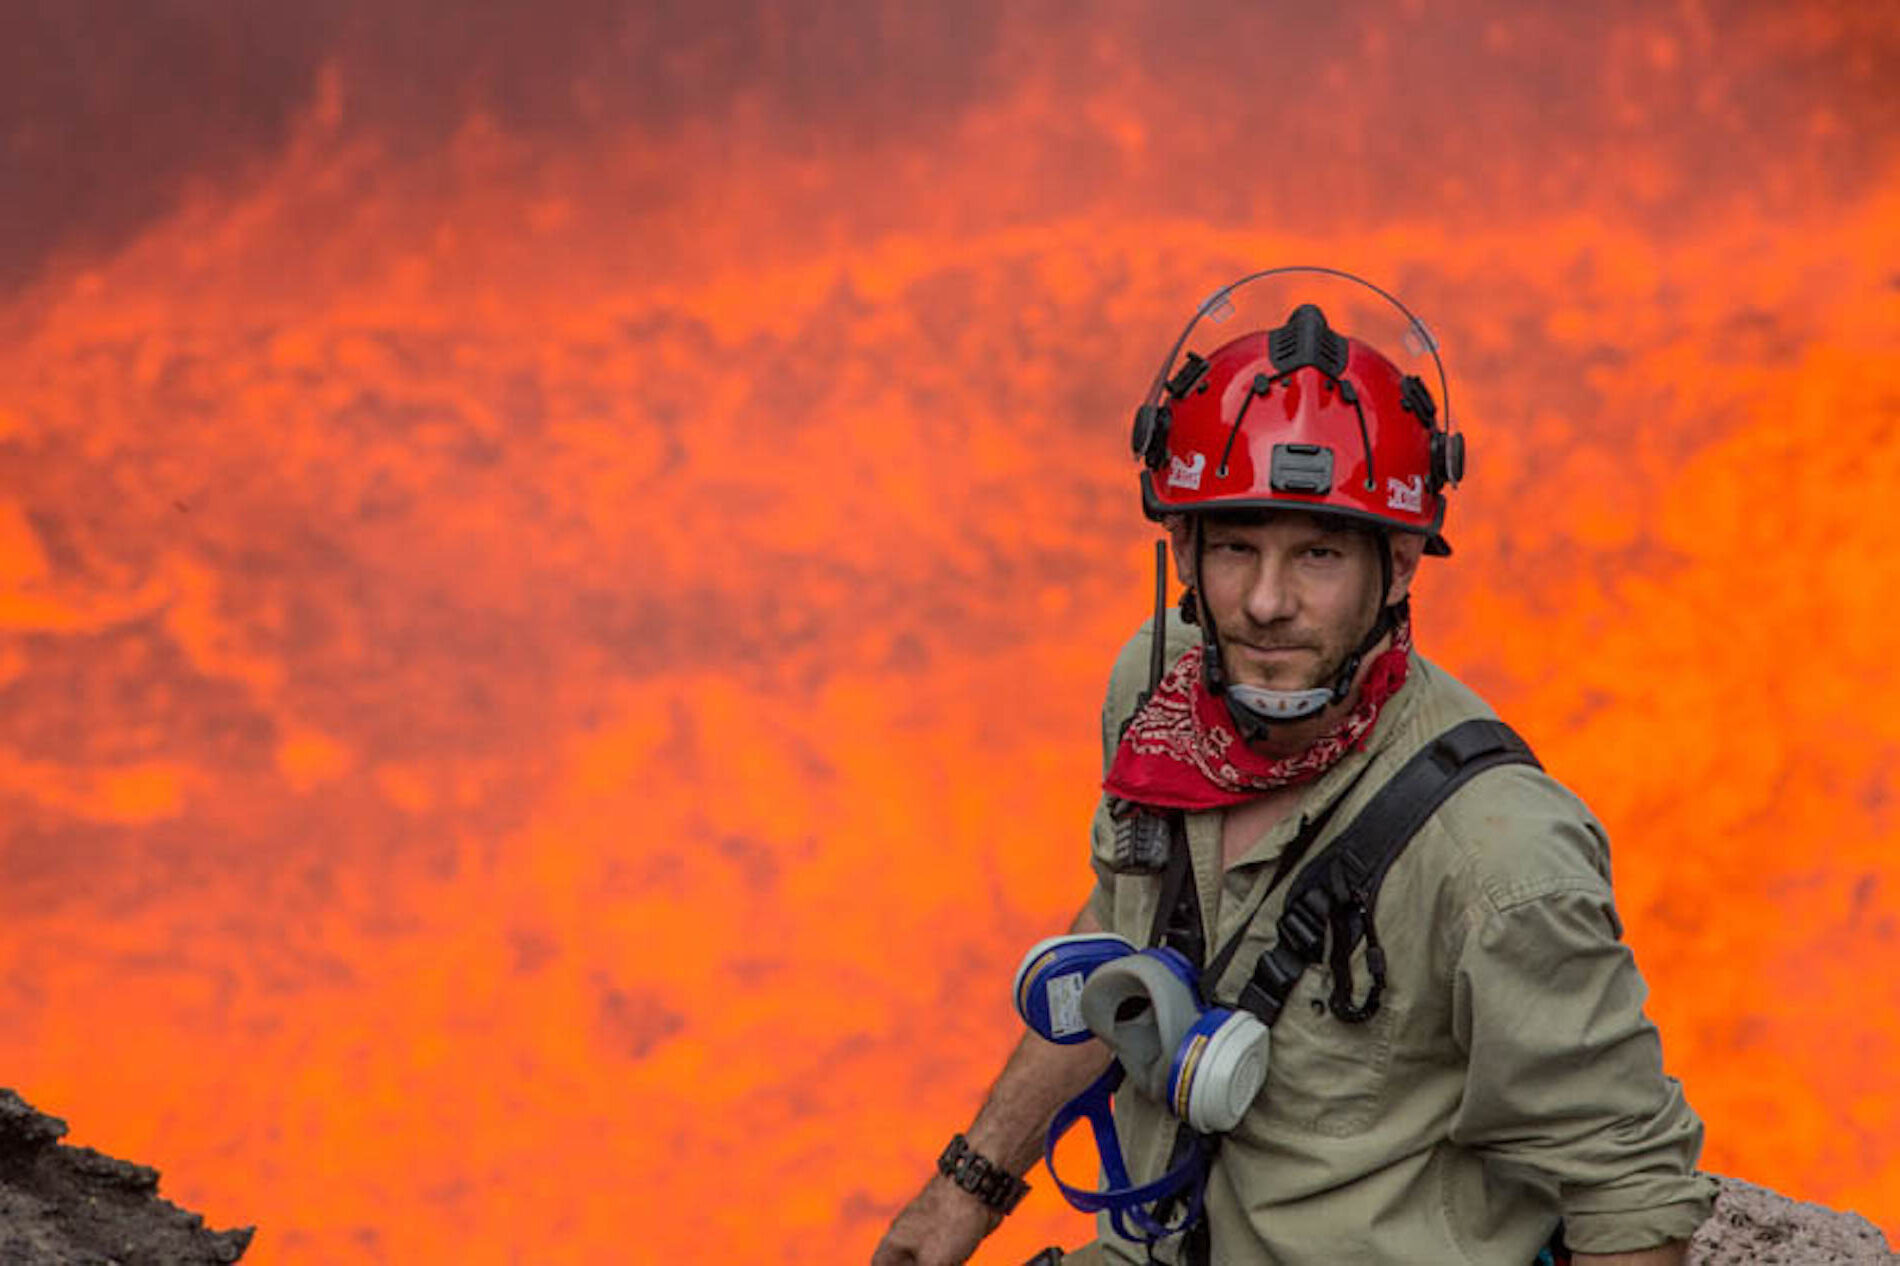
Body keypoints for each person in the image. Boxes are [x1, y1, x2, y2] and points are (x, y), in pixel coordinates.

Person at [872, 272, 1715, 1265]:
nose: (1267, 603)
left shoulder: (1496, 855)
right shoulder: (1155, 702)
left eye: (1318, 555)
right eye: (1235, 546)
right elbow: (1121, 944)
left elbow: (1626, 1188)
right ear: (1181, 548)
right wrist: (961, 1194)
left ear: (1400, 566)